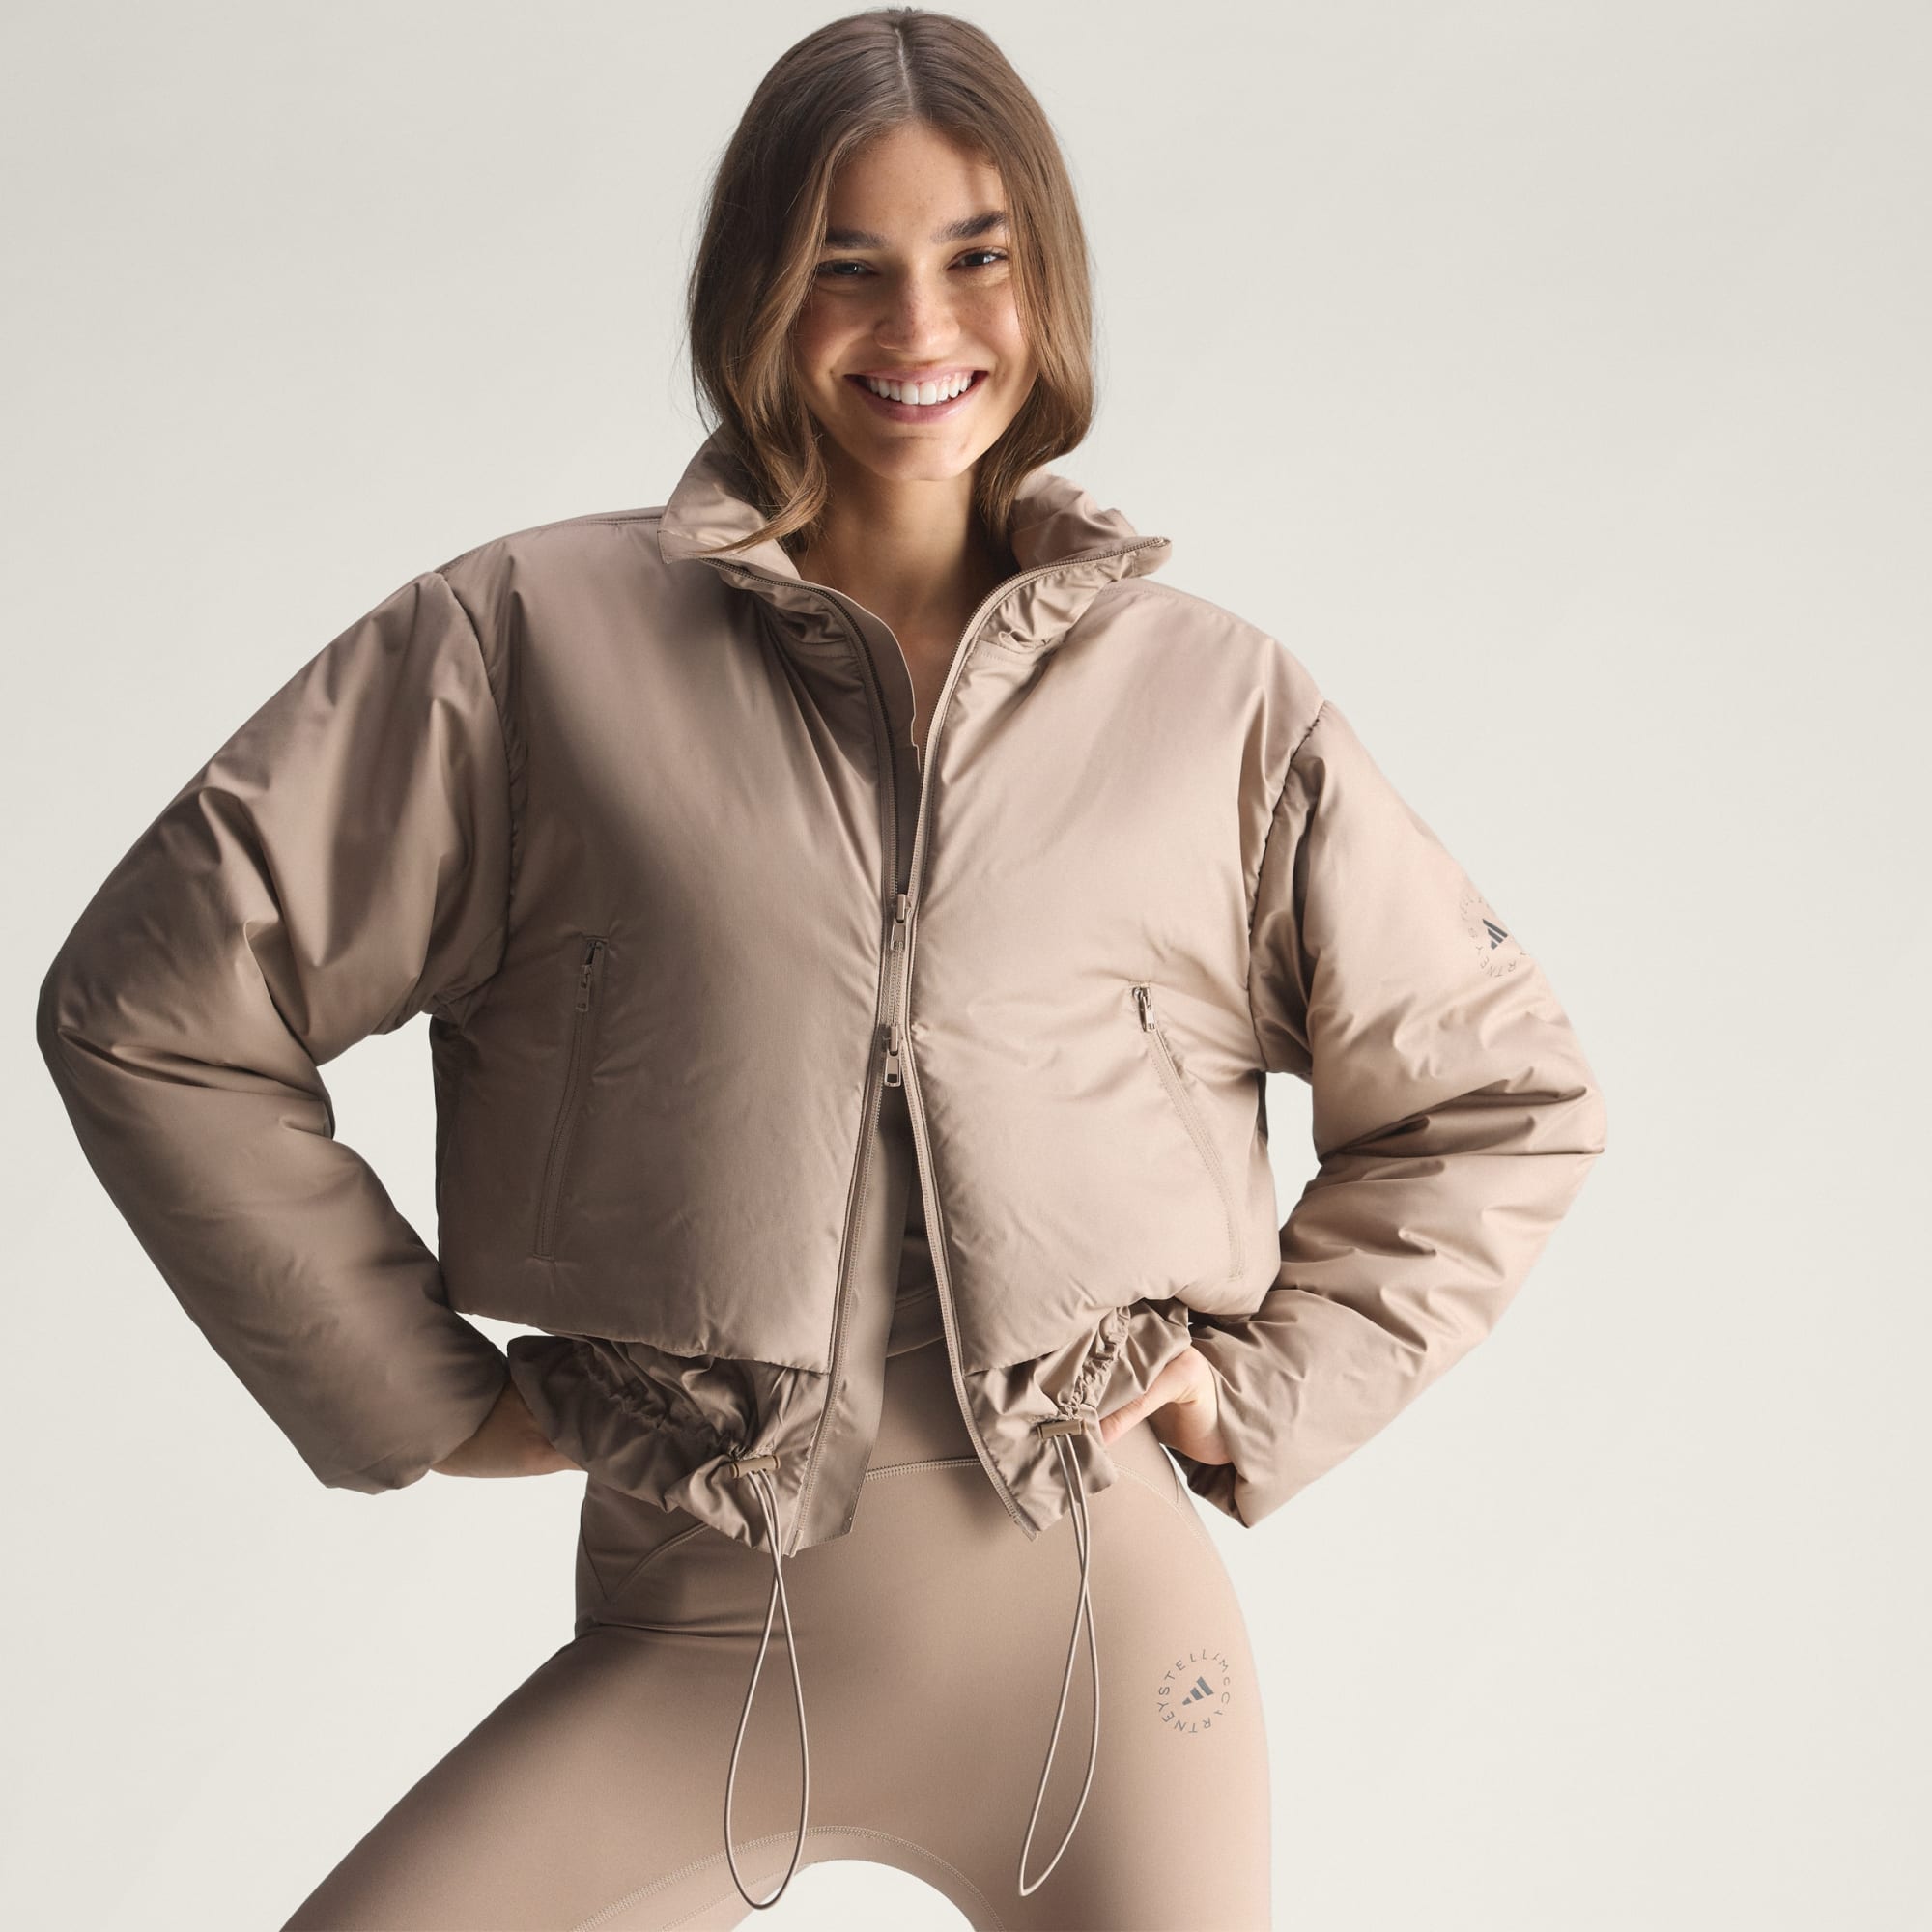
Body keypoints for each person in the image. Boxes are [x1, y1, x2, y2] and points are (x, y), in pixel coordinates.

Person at [34, 9, 1608, 1929]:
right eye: (844, 264)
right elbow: (155, 1008)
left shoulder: (1210, 702)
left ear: (1047, 281)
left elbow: (1501, 1093)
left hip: (1101, 1658)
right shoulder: (528, 646)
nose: (915, 324)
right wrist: (418, 1397)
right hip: (689, 1638)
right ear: (755, 295)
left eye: (975, 255)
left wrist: (1264, 1391)